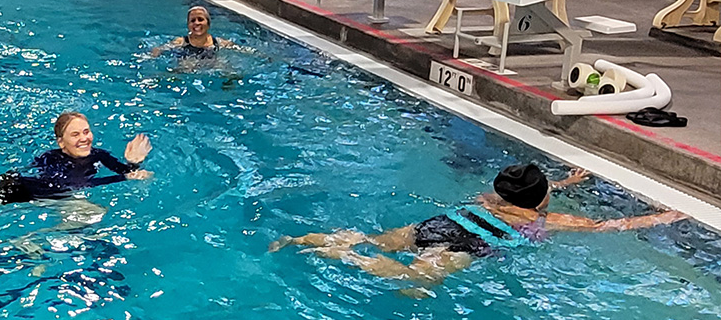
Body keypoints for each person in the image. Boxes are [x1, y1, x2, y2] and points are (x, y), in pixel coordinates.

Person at [268, 164, 688, 297]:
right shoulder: (543, 219)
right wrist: (664, 218)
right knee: (416, 277)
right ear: (542, 200)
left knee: (375, 240)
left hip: (446, 223)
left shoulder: (489, 200)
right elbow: (608, 225)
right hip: (472, 241)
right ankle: (343, 257)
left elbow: (521, 190)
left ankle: (311, 240)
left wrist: (563, 183)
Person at [0, 112, 153, 224]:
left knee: (93, 214)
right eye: (75, 134)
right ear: (62, 142)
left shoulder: (98, 154)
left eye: (87, 131)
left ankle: (34, 240)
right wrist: (123, 180)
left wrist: (134, 163)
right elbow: (71, 184)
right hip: (17, 189)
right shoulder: (51, 157)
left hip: (50, 197)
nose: (84, 138)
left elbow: (125, 171)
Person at [150, 6, 237, 59]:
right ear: (188, 25)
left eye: (200, 19)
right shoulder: (181, 42)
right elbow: (159, 49)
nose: (196, 23)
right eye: (192, 21)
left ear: (208, 23)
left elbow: (242, 49)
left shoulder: (219, 42)